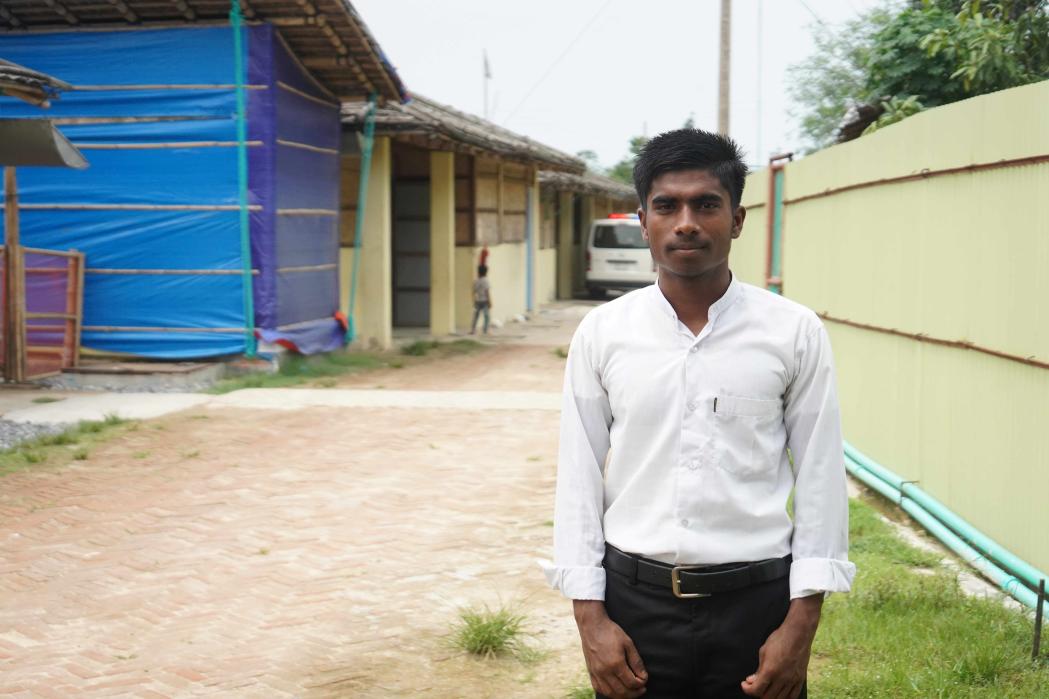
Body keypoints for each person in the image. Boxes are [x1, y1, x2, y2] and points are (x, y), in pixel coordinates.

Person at [545, 129, 855, 699]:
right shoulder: (603, 333)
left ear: (737, 219)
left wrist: (802, 622)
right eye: (667, 206)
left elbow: (820, 477)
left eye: (706, 204)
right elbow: (578, 476)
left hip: (757, 607)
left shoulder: (793, 332)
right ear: (644, 220)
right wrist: (590, 617)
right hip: (634, 607)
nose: (686, 221)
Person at [470, 264, 492, 335]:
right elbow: (487, 292)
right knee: (486, 316)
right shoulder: (486, 281)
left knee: (476, 316)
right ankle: (485, 330)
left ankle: (473, 330)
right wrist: (490, 301)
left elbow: (473, 292)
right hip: (485, 301)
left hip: (478, 301)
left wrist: (474, 300)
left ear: (478, 272)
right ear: (486, 272)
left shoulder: (476, 281)